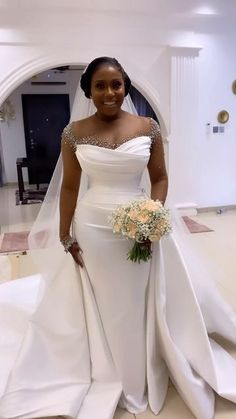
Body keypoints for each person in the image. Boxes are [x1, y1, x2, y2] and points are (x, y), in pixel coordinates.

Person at [0, 57, 236, 419]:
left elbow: (159, 178)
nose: (109, 93)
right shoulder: (74, 133)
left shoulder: (148, 127)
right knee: (104, 297)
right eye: (100, 86)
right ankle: (108, 366)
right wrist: (64, 233)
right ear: (88, 90)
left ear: (125, 87)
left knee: (137, 297)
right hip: (93, 227)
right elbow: (70, 188)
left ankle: (144, 362)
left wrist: (151, 218)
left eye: (116, 84)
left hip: (139, 227)